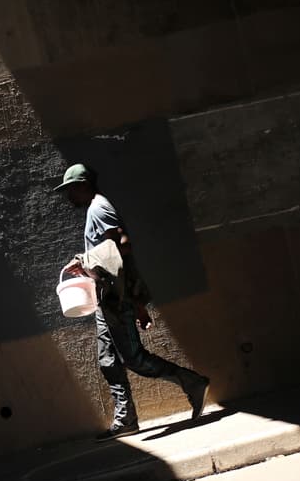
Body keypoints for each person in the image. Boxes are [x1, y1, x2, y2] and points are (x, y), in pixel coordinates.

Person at [55, 163, 209, 437]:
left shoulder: (99, 208)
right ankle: (125, 420)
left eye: (71, 190)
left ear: (84, 185)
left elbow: (123, 246)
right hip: (107, 299)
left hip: (117, 299)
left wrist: (86, 261)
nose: (69, 197)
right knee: (107, 361)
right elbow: (114, 256)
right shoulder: (94, 209)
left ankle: (193, 383)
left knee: (134, 360)